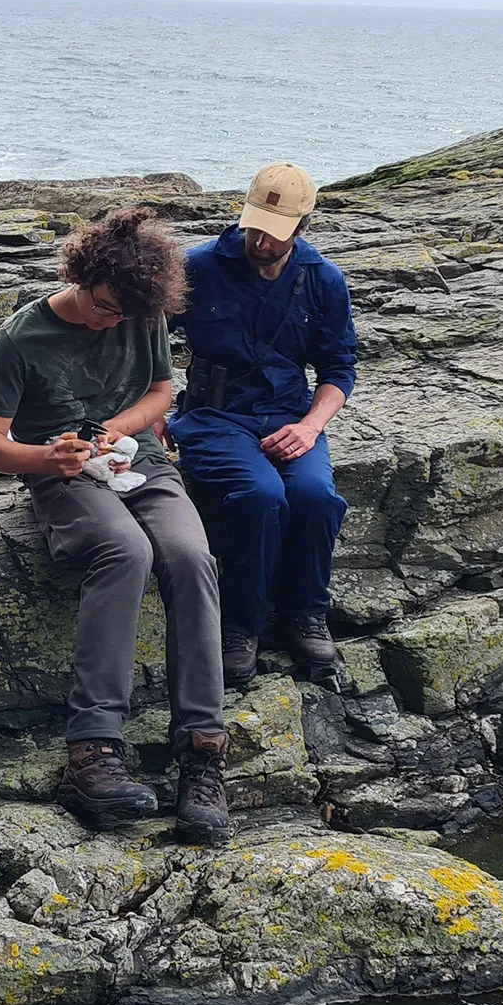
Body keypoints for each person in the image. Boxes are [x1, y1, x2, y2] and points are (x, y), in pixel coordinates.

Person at [0, 207, 230, 845]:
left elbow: (160, 393)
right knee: (124, 550)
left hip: (140, 462)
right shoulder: (22, 337)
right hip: (59, 473)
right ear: (82, 274)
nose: (111, 322)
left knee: (190, 556)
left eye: (123, 315)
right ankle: (93, 748)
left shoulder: (141, 312)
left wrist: (116, 429)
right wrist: (48, 458)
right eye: (104, 308)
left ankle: (202, 752)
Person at [170, 163, 357, 687]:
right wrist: (149, 414)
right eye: (254, 227)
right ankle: (239, 627)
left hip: (290, 413)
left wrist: (311, 426)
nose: (260, 241)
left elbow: (339, 368)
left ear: (302, 225)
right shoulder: (197, 266)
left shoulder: (323, 279)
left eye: (274, 232)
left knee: (316, 497)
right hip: (213, 415)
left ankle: (306, 613)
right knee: (259, 495)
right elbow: (142, 341)